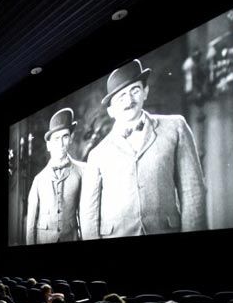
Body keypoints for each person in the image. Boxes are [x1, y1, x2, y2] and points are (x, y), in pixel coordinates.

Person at [81, 59, 207, 239]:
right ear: (111, 110)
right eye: (121, 96)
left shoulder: (176, 128)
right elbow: (89, 215)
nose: (129, 101)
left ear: (145, 92)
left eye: (135, 90)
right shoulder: (97, 154)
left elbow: (193, 192)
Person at [26, 107, 84, 244]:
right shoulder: (38, 180)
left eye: (65, 137)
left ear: (71, 139)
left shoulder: (81, 172)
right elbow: (30, 224)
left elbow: (86, 214)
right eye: (56, 138)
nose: (61, 143)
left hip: (71, 238)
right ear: (49, 145)